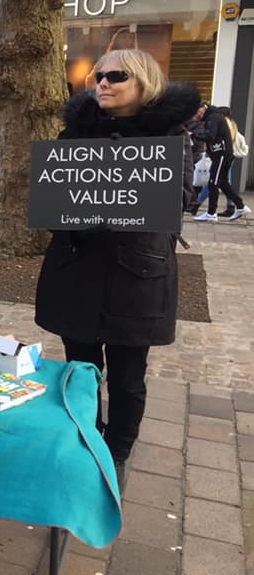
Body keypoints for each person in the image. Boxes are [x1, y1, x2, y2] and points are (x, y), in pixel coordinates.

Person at [35, 48, 198, 487]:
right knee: (81, 371)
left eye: (117, 76)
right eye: (99, 76)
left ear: (144, 82)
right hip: (78, 269)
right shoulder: (74, 134)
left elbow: (178, 201)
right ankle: (87, 441)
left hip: (137, 275)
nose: (104, 83)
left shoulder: (172, 137)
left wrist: (120, 196)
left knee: (127, 377)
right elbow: (53, 199)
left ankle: (117, 454)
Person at [193, 104, 250, 222]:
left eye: (195, 112)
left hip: (221, 155)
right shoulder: (215, 117)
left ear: (202, 109)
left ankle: (211, 213)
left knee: (213, 182)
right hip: (222, 155)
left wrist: (195, 135)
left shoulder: (213, 118)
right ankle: (240, 206)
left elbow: (211, 136)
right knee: (222, 182)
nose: (195, 116)